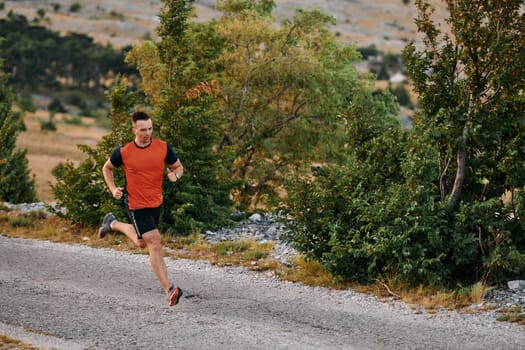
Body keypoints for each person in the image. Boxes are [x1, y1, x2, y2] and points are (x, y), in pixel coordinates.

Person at [98, 110, 184, 307]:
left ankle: (112, 223)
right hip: (136, 205)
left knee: (141, 242)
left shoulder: (163, 147)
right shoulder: (124, 152)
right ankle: (169, 290)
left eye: (150, 128)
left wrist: (175, 175)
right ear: (134, 129)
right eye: (143, 129)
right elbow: (107, 168)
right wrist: (112, 189)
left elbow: (178, 166)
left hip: (156, 203)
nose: (148, 133)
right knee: (154, 242)